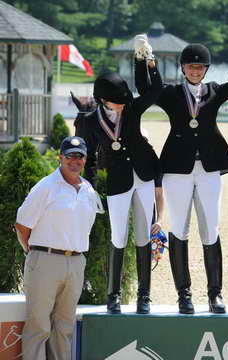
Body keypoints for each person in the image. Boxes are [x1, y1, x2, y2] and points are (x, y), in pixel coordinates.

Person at [133, 34, 228, 314]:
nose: (195, 71)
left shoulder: (214, 91)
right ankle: (184, 295)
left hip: (209, 168)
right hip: (178, 169)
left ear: (206, 70)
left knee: (210, 228)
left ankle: (215, 294)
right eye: (190, 67)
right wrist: (143, 60)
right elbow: (145, 87)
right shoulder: (172, 94)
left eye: (200, 67)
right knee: (179, 229)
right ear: (183, 68)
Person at [76, 50, 162, 315]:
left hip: (144, 175)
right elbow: (87, 158)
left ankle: (144, 296)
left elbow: (155, 89)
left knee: (143, 236)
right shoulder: (89, 121)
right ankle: (113, 296)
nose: (123, 105)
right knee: (118, 235)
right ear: (103, 100)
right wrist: (88, 187)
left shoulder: (132, 106)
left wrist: (146, 62)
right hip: (117, 181)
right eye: (117, 103)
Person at [15, 136, 102, 360]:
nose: (75, 160)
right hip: (45, 260)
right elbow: (22, 225)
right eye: (70, 156)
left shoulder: (89, 190)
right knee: (39, 327)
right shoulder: (46, 186)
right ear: (60, 157)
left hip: (76, 263)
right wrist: (33, 252)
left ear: (85, 160)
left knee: (64, 328)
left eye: (80, 156)